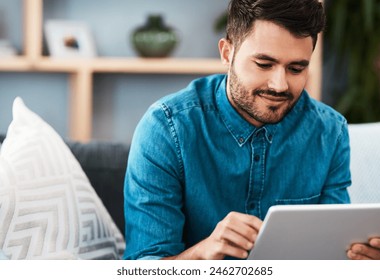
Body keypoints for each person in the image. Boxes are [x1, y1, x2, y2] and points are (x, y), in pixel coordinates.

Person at [123, 0, 352, 260]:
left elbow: (332, 254)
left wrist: (361, 260)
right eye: (264, 64)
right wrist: (202, 254)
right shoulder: (165, 128)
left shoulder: (331, 132)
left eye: (296, 68)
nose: (279, 85)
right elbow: (142, 267)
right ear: (227, 53)